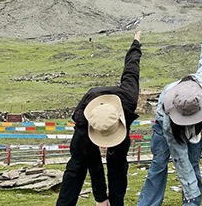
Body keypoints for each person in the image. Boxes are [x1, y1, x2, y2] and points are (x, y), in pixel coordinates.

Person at [137, 9, 202, 206]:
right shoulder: (168, 116)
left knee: (194, 164)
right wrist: (190, 189)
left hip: (194, 135)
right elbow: (180, 158)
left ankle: (191, 203)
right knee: (159, 166)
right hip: (164, 130)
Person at [56, 30, 142, 206]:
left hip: (117, 116)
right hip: (88, 120)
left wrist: (136, 43)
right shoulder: (83, 120)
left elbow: (131, 69)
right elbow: (94, 163)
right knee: (77, 165)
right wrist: (100, 198)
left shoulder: (128, 99)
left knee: (118, 165)